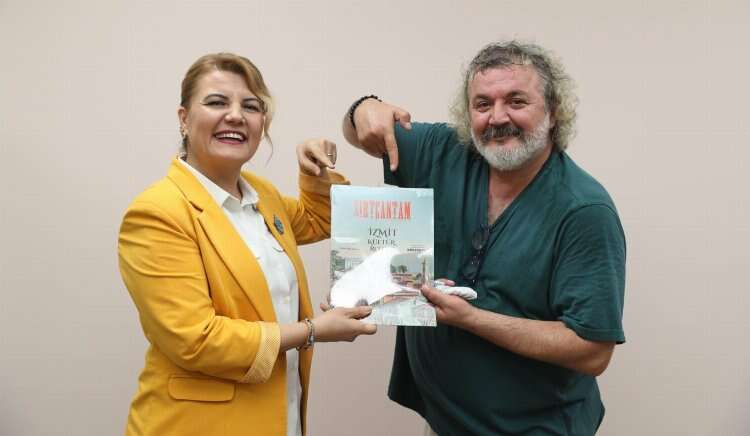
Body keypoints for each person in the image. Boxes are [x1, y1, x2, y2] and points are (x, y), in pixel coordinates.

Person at [342, 41, 626, 435]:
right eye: (482, 104)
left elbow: (592, 351)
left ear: (553, 111)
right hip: (443, 422)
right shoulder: (445, 151)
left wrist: (472, 320)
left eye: (516, 101)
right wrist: (363, 108)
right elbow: (358, 130)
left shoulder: (583, 211)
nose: (497, 117)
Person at [118, 52, 376, 436]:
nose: (236, 115)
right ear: (184, 118)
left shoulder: (261, 196)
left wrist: (316, 171)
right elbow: (197, 340)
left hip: (279, 418)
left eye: (251, 106)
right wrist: (312, 330)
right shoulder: (157, 212)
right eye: (217, 102)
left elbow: (320, 220)